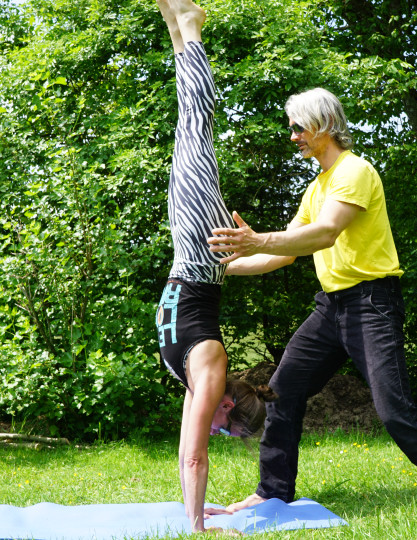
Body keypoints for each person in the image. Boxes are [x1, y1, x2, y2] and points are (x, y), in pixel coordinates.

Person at [205, 87, 417, 512]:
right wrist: (217, 270)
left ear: (322, 126)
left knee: (393, 407)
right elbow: (287, 251)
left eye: (298, 127)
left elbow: (325, 233)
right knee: (281, 391)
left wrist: (254, 238)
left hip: (372, 304)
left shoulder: (354, 172)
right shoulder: (316, 187)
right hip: (330, 307)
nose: (293, 136)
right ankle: (273, 492)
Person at [153, 0, 277, 533]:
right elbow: (196, 455)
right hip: (199, 248)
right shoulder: (210, 374)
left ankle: (177, 27)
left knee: (188, 129)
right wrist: (199, 531)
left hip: (198, 258)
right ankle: (191, 27)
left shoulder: (205, 380)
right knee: (196, 128)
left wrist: (194, 512)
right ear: (231, 406)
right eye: (230, 428)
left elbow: (188, 451)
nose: (218, 431)